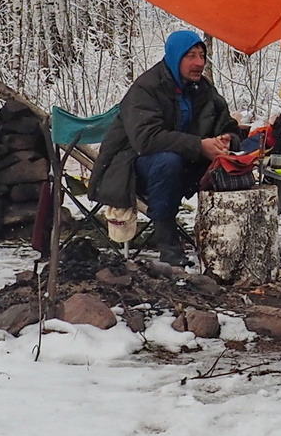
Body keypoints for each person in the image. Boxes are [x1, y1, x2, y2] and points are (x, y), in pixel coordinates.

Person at [92, 29, 237, 267]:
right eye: (190, 56)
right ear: (175, 57)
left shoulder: (202, 89)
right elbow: (146, 140)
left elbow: (228, 124)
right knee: (167, 161)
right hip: (130, 168)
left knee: (229, 163)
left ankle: (223, 245)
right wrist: (199, 145)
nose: (199, 63)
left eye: (202, 56)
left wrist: (227, 139)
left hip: (181, 162)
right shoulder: (146, 88)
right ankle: (168, 246)